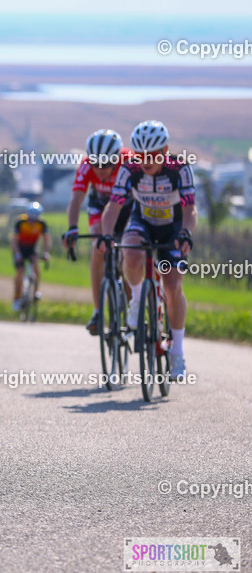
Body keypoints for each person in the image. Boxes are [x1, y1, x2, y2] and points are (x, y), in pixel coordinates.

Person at [99, 121, 195, 380]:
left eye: (152, 155)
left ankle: (177, 352)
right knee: (129, 251)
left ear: (165, 150)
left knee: (173, 285)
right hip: (142, 222)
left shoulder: (179, 169)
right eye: (140, 155)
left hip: (173, 227)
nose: (145, 160)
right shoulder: (128, 169)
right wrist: (106, 235)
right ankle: (138, 299)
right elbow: (114, 207)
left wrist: (186, 233)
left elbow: (189, 210)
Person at [62, 129, 133, 334]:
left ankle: (131, 309)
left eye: (106, 165)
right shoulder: (85, 165)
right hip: (100, 206)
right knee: (98, 248)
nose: (100, 170)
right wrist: (73, 228)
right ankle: (97, 311)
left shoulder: (129, 161)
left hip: (127, 208)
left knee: (127, 255)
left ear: (117, 158)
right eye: (96, 164)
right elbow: (76, 199)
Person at [12, 202, 51, 311]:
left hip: (32, 249)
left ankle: (36, 291)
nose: (32, 222)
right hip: (19, 248)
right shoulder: (20, 222)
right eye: (31, 219)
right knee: (20, 271)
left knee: (36, 267)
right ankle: (16, 297)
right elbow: (14, 241)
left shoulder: (42, 224)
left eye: (35, 220)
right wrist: (17, 254)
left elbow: (47, 240)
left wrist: (46, 253)